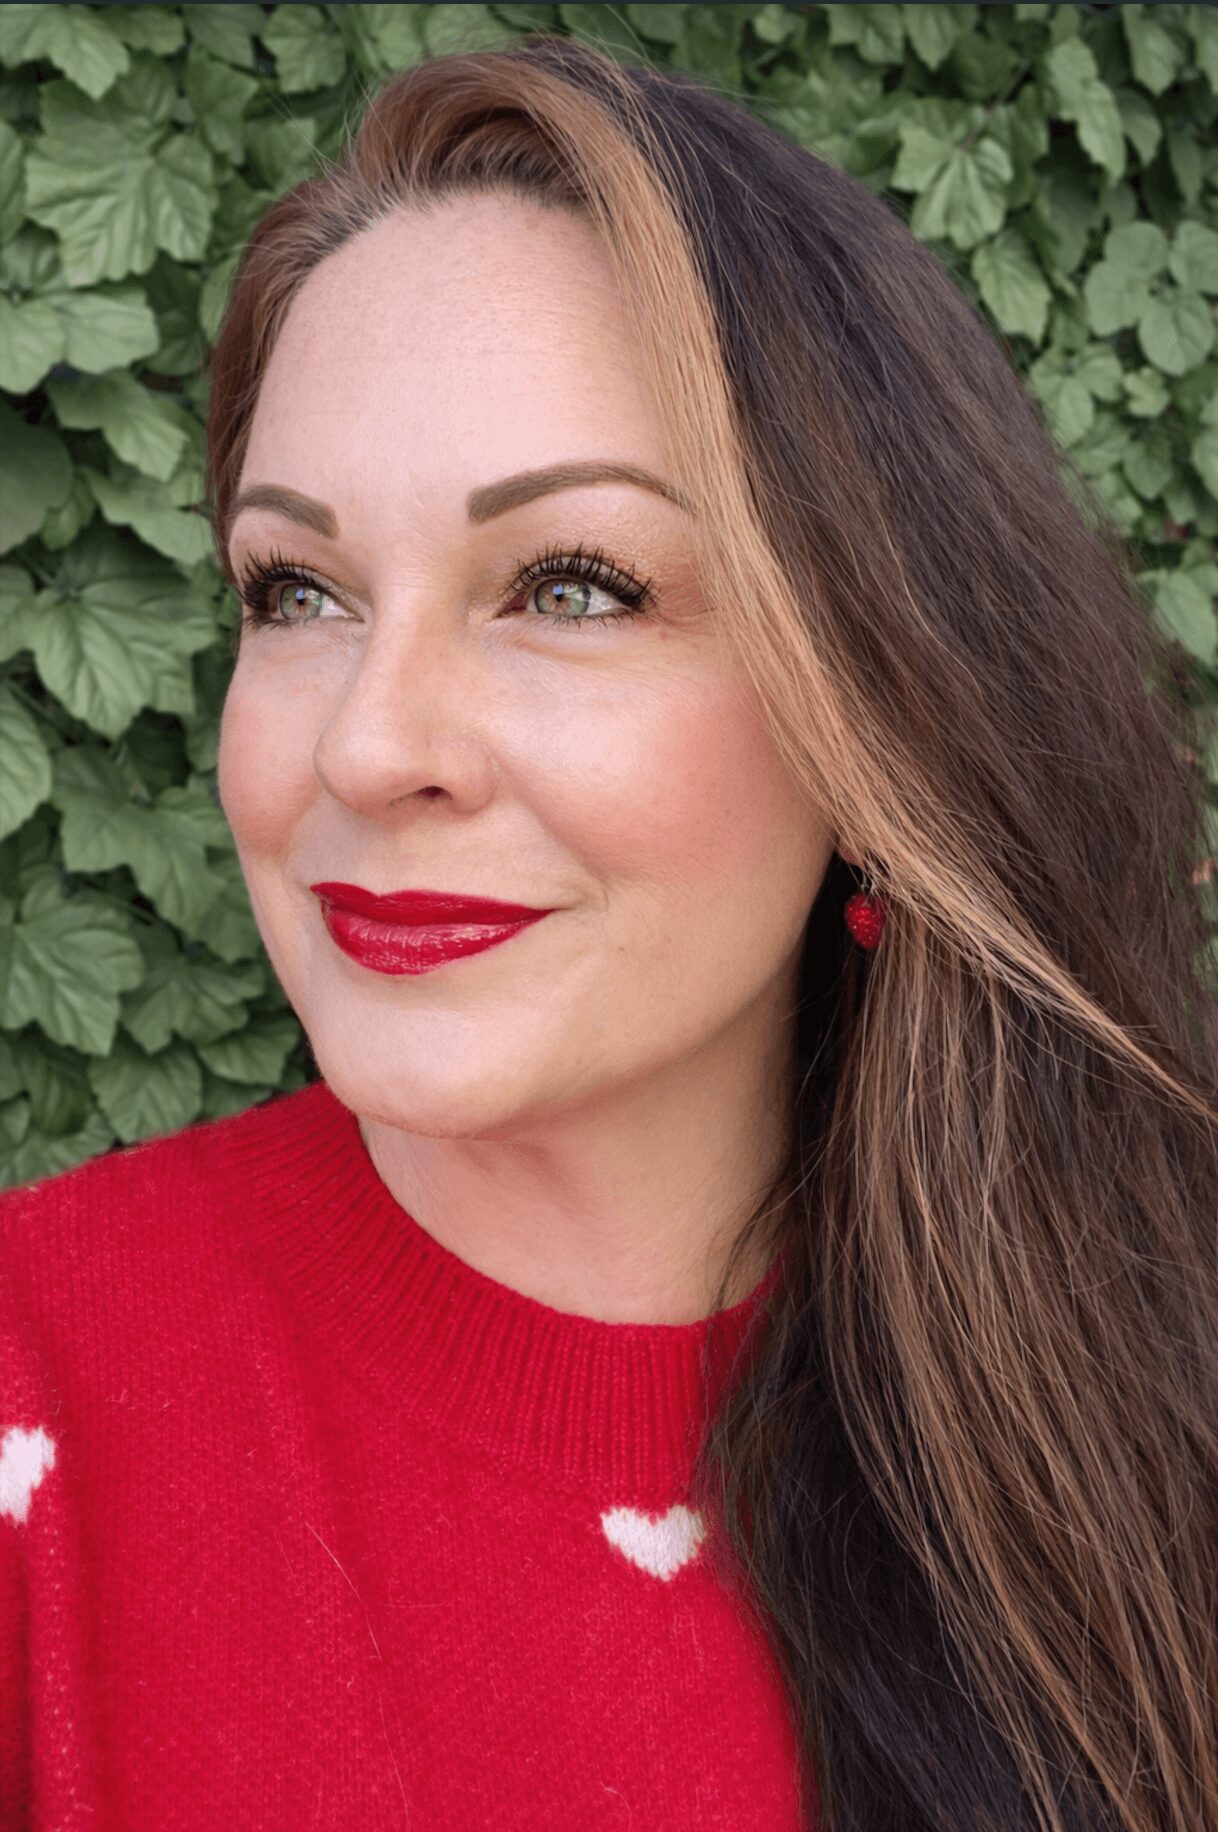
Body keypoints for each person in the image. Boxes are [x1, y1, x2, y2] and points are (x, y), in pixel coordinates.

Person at [3, 33, 1216, 1832]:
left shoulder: (1154, 1394)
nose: (366, 748)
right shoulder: (39, 1392)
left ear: (881, 711)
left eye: (571, 586)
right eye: (298, 590)